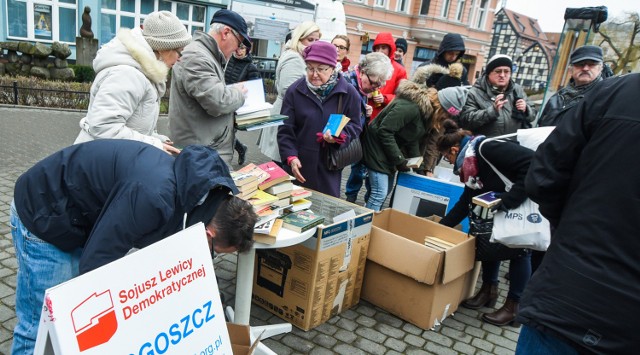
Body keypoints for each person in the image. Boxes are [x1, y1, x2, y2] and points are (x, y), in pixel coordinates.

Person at [9, 139, 257, 355]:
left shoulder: (197, 193)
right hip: (44, 211)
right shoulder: (154, 197)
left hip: (79, 217)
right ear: (208, 233)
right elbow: (95, 265)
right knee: (38, 326)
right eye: (213, 251)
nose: (209, 256)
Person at [516, 73, 640, 354]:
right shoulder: (612, 92)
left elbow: (543, 177)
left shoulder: (615, 91)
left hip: (568, 295)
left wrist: (570, 229)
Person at [438, 119, 533, 327]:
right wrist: (441, 227)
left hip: (518, 204)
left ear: (455, 149)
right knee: (489, 243)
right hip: (500, 206)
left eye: (446, 157)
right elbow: (466, 200)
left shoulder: (487, 148)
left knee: (520, 251)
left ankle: (514, 307)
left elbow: (532, 162)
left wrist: (509, 200)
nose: (447, 161)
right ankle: (488, 291)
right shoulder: (471, 165)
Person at [74, 11, 190, 155]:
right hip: (96, 165)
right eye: (180, 52)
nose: (180, 59)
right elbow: (104, 126)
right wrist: (153, 144)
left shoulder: (144, 72)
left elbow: (130, 125)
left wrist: (155, 138)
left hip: (109, 160)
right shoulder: (127, 74)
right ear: (163, 47)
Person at [361, 84, 466, 211]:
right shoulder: (411, 107)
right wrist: (400, 160)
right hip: (376, 148)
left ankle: (367, 215)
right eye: (446, 115)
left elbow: (412, 139)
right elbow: (384, 131)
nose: (446, 119)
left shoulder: (426, 113)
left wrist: (420, 168)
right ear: (441, 107)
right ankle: (364, 226)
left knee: (384, 191)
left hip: (387, 152)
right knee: (379, 193)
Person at [278, 41, 362, 197]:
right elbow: (285, 130)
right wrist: (290, 156)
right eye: (310, 68)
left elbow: (355, 125)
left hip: (329, 166)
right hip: (300, 165)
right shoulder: (295, 91)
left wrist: (338, 137)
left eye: (321, 69)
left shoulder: (348, 93)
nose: (314, 74)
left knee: (325, 208)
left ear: (333, 67)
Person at [169, 9, 251, 166]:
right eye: (239, 42)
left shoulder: (206, 55)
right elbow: (218, 101)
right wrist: (238, 94)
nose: (237, 49)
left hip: (205, 153)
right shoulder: (197, 57)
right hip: (201, 157)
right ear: (226, 33)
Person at [257, 21, 321, 164]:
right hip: (286, 114)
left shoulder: (298, 55)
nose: (314, 43)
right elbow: (289, 90)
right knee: (281, 165)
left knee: (282, 166)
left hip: (287, 114)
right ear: (299, 38)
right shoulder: (294, 57)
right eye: (310, 40)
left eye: (317, 40)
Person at [342, 52, 393, 203]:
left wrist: (364, 112)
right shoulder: (347, 83)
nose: (375, 88)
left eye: (379, 85)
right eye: (374, 83)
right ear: (363, 72)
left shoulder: (361, 86)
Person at [459, 54, 536, 137]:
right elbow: (466, 121)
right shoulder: (474, 93)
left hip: (513, 143)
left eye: (506, 71)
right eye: (498, 71)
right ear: (488, 73)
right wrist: (492, 111)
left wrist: (526, 109)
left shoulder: (517, 90)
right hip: (486, 144)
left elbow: (533, 115)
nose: (502, 75)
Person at [537, 45, 604, 127]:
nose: (585, 68)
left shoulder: (604, 98)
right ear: (570, 70)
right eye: (580, 64)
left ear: (600, 68)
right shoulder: (557, 97)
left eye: (591, 64)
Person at [224, 42, 261, 165]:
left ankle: (226, 162)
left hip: (238, 106)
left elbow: (255, 90)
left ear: (247, 50)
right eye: (237, 47)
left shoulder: (251, 68)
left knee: (228, 134)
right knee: (223, 133)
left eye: (242, 48)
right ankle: (240, 148)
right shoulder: (227, 60)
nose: (238, 51)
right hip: (223, 102)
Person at [369, 32, 408, 120]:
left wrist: (385, 98)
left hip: (383, 117)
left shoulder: (400, 70)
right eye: (377, 48)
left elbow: (402, 97)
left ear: (390, 49)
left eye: (383, 48)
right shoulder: (368, 64)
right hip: (364, 113)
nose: (380, 51)